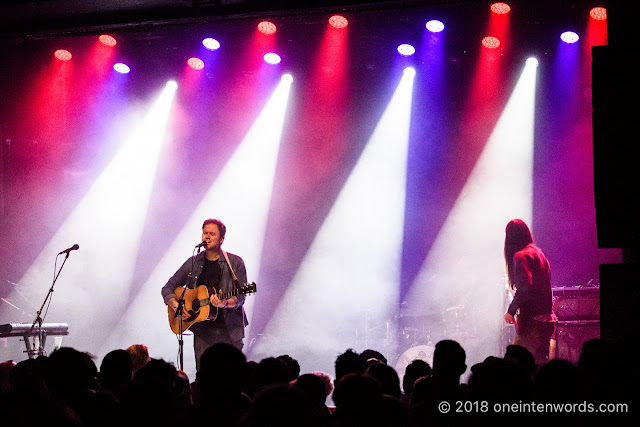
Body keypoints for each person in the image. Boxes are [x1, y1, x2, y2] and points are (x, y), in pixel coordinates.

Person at [162, 218, 248, 371]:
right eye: (205, 233)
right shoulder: (193, 262)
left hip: (229, 331)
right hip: (203, 333)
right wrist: (177, 306)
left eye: (212, 234)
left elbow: (241, 296)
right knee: (204, 377)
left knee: (231, 377)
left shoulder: (234, 262)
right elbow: (168, 288)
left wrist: (225, 303)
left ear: (222, 239)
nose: (207, 237)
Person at [503, 219, 556, 365]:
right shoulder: (539, 254)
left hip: (532, 322)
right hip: (547, 319)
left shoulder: (520, 256)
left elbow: (525, 288)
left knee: (516, 365)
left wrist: (511, 311)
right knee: (538, 365)